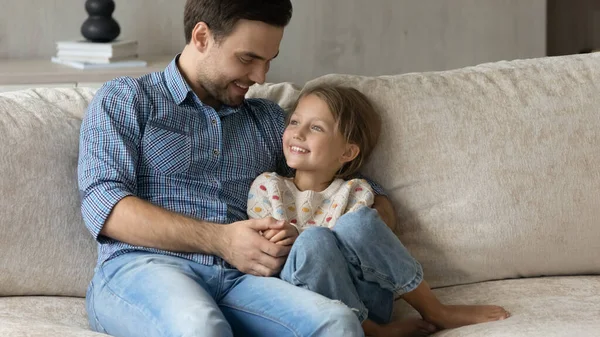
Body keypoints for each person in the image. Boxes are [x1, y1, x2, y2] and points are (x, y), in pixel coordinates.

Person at [77, 0, 417, 336]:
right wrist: (222, 240)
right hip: (143, 268)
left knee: (338, 323)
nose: (259, 76)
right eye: (248, 58)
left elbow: (335, 177)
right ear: (201, 38)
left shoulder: (267, 121)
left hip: (242, 282)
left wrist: (374, 213)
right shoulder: (127, 99)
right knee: (201, 327)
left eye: (268, 62)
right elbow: (104, 207)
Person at [247, 85, 511, 337]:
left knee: (357, 224)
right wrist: (299, 237)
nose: (298, 133)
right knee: (314, 241)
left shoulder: (356, 192)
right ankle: (373, 332)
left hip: (368, 298)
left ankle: (434, 309)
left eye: (316, 127)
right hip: (310, 301)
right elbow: (267, 253)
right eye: (294, 122)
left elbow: (361, 248)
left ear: (347, 151)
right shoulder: (267, 187)